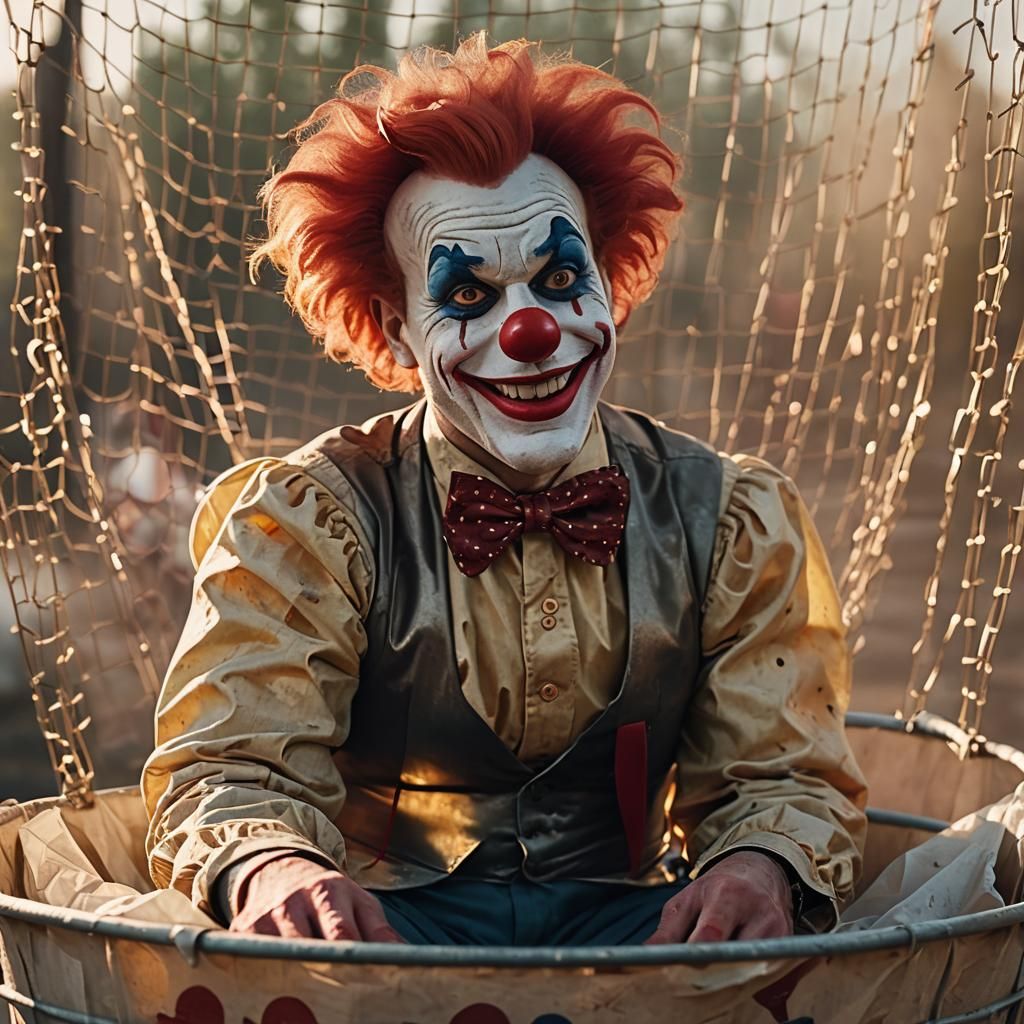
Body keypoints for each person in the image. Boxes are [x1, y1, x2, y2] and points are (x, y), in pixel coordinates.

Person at [142, 34, 867, 947]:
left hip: (643, 934)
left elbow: (784, 773)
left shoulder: (726, 520)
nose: (532, 333)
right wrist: (276, 868)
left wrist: (757, 866)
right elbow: (231, 763)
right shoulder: (308, 523)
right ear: (396, 331)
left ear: (610, 287)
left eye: (561, 279)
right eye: (468, 297)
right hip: (377, 935)